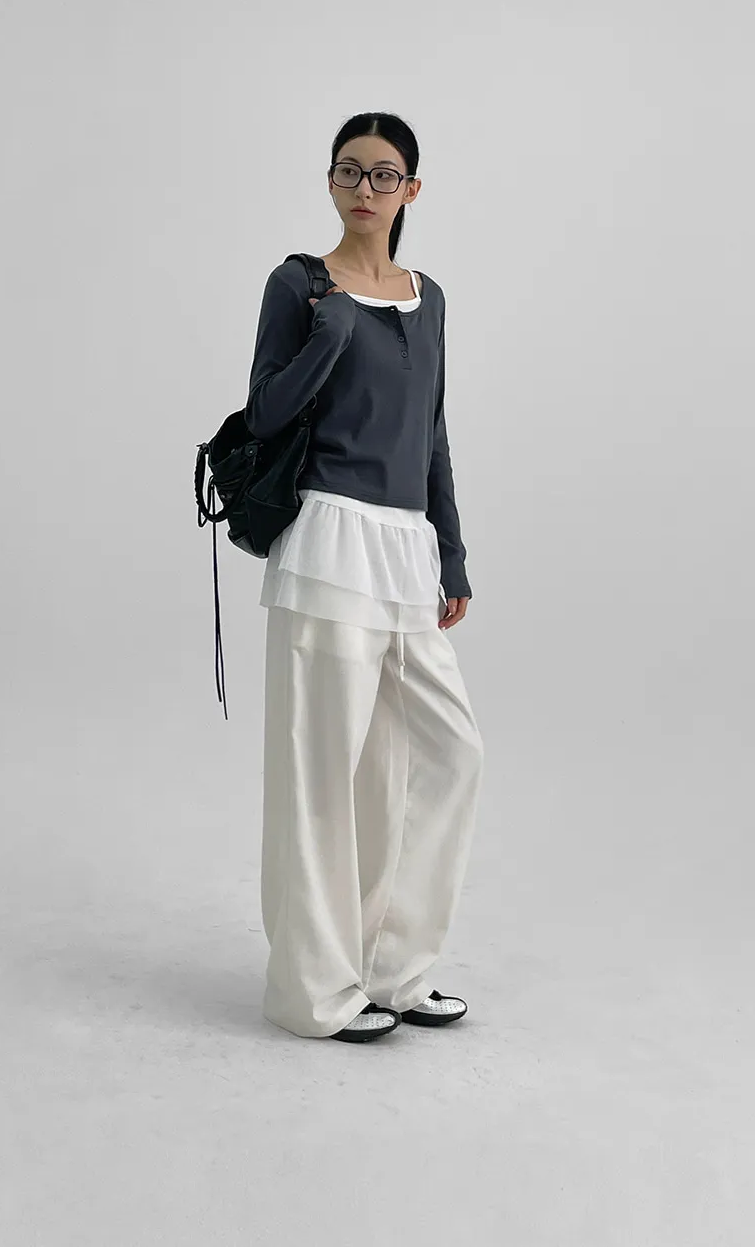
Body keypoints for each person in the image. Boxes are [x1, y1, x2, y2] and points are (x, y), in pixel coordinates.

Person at [246, 111, 484, 1044]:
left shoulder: (431, 298)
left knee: (442, 756)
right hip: (328, 544)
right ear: (330, 181)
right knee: (321, 775)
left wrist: (451, 552)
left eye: (384, 174)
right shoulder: (300, 285)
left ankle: (395, 967)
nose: (365, 188)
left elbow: (432, 432)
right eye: (349, 171)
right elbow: (265, 414)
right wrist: (330, 334)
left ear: (411, 190)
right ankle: (314, 992)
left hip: (406, 552)